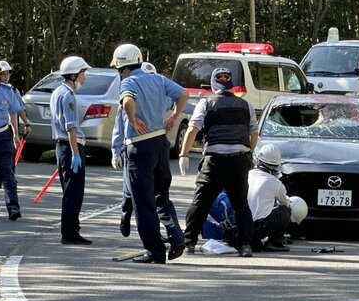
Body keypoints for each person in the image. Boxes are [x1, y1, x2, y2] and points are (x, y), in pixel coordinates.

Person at [111, 44, 189, 263]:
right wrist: (175, 116)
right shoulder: (158, 79)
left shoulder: (128, 82)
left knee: (143, 203)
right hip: (160, 143)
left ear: (122, 67)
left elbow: (127, 101)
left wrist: (134, 119)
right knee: (161, 196)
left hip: (140, 145)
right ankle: (177, 237)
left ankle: (155, 251)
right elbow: (184, 93)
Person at [179, 67, 258, 257]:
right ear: (230, 85)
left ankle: (189, 241)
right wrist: (248, 154)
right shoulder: (245, 105)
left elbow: (192, 130)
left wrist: (184, 154)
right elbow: (253, 133)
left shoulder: (206, 103)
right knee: (241, 205)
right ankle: (246, 244)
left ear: (214, 85)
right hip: (239, 161)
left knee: (201, 202)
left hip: (214, 161)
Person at [50, 56, 92, 242]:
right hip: (70, 147)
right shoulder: (68, 95)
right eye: (83, 73)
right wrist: (75, 153)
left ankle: (71, 228)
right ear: (74, 75)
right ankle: (69, 232)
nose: (85, 78)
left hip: (64, 146)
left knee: (70, 190)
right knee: (73, 193)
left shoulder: (58, 91)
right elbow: (70, 127)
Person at [248, 144, 293, 252]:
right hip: (260, 228)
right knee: (286, 211)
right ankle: (274, 242)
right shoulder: (276, 183)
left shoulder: (247, 174)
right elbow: (285, 203)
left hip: (243, 225)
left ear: (259, 161)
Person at [0, 56, 22, 220]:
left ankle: (13, 207)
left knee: (8, 173)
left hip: (4, 136)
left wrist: (16, 135)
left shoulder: (7, 91)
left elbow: (13, 112)